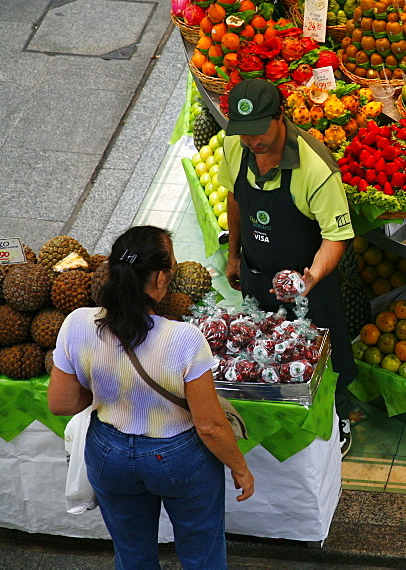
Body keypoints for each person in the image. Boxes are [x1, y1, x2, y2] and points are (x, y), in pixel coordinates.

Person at [48, 225, 253, 569]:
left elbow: (61, 403)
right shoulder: (185, 339)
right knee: (201, 553)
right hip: (178, 457)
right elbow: (210, 426)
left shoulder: (77, 323)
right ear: (159, 278)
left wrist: (107, 382)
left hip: (108, 453)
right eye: (171, 267)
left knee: (131, 554)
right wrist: (241, 468)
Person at [217, 78, 357, 455]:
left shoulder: (315, 167)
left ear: (281, 115)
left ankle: (338, 415)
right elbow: (235, 198)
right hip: (256, 273)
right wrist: (234, 254)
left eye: (259, 131)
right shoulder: (236, 146)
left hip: (309, 285)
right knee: (262, 352)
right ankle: (272, 419)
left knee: (326, 357)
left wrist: (311, 277)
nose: (252, 142)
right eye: (245, 134)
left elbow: (336, 235)